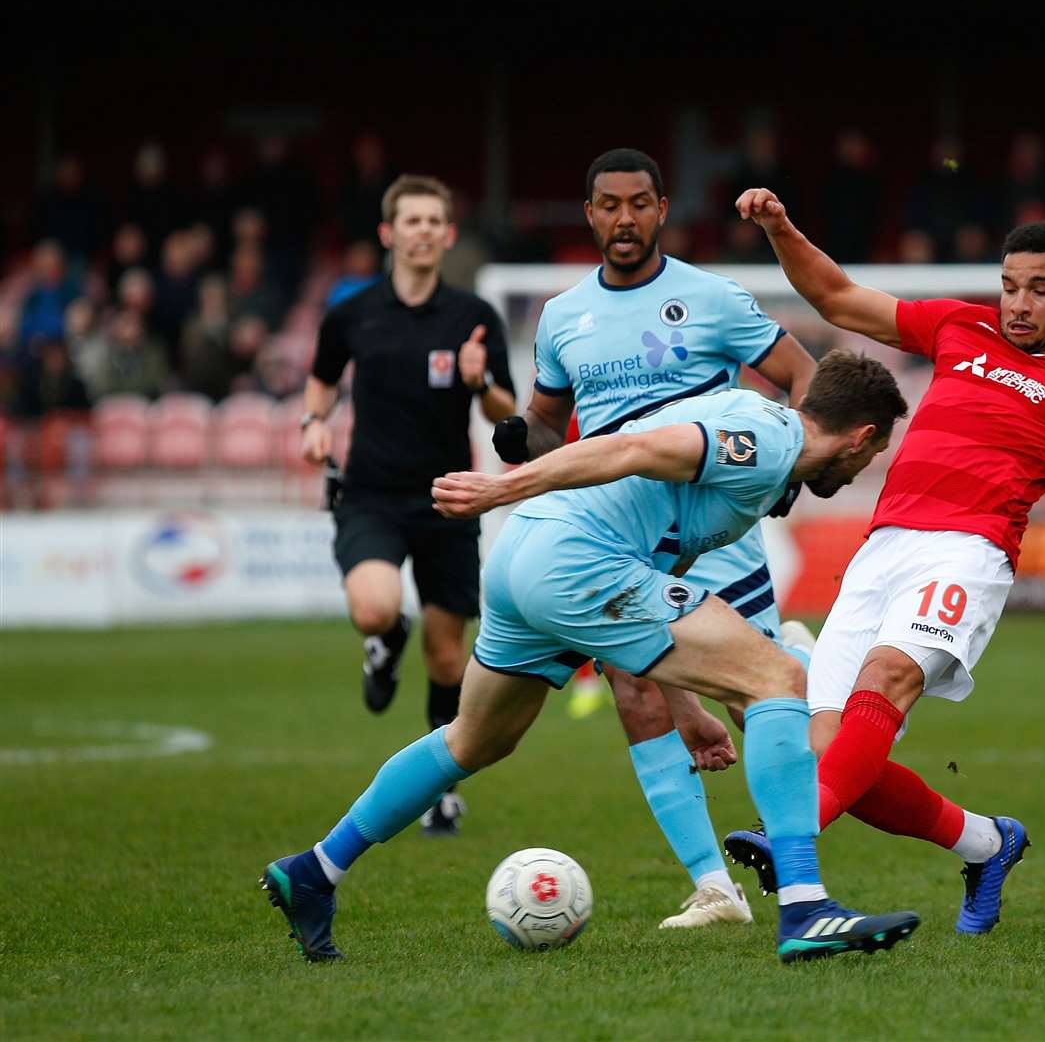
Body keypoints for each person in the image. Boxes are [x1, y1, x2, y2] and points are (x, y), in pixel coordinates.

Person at [261, 353, 922, 965]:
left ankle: (316, 870)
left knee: (474, 740)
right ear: (862, 437)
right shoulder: (767, 445)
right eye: (876, 454)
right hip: (574, 558)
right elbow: (630, 448)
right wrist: (501, 489)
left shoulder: (760, 435)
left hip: (529, 558)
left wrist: (685, 707)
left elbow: (662, 570)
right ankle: (806, 907)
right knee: (779, 676)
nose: (867, 468)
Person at [722, 188, 1045, 935]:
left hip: (969, 553)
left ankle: (789, 833)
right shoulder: (956, 324)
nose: (1018, 303)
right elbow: (836, 295)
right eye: (1009, 285)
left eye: (1039, 289)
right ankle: (989, 843)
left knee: (888, 680)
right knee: (844, 762)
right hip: (882, 549)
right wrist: (781, 229)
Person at [490, 148, 818, 929]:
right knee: (636, 692)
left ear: (663, 209)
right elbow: (546, 422)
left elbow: (804, 375)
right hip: (618, 534)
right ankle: (715, 887)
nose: (625, 218)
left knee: (760, 698)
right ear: (590, 213)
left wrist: (789, 466)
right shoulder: (563, 316)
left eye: (640, 203)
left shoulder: (711, 297)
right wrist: (517, 435)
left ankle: (806, 855)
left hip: (715, 527)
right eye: (610, 204)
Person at [300, 174, 517, 833]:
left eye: (434, 221)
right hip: (370, 494)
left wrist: (483, 385)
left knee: (449, 658)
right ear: (389, 234)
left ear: (448, 235)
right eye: (411, 221)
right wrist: (313, 424)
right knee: (373, 608)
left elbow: (508, 416)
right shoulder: (352, 313)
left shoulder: (473, 318)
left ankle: (441, 785)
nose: (423, 231)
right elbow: (321, 381)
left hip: (449, 499)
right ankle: (387, 635)